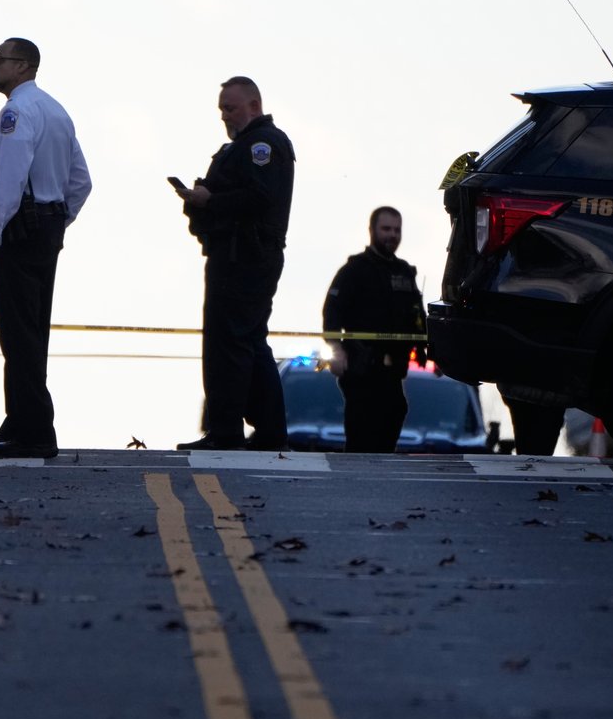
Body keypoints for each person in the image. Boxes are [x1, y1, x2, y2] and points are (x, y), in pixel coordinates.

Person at [0, 37, 91, 459]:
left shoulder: (17, 112)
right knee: (32, 330)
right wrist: (59, 218)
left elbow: (11, 177)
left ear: (22, 66)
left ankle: (34, 429)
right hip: (45, 227)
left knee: (17, 332)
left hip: (20, 229)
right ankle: (20, 420)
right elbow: (80, 181)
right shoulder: (57, 111)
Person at [174, 76, 294, 451]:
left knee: (230, 344)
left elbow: (258, 197)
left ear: (254, 106)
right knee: (248, 341)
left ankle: (226, 430)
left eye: (232, 107)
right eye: (222, 109)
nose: (225, 115)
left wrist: (210, 201)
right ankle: (269, 430)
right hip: (237, 254)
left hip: (245, 257)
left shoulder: (262, 144)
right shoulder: (242, 146)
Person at [323, 206, 426, 452]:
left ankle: (379, 484)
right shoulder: (354, 270)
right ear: (372, 231)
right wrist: (337, 351)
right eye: (386, 229)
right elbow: (332, 313)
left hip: (393, 370)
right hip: (362, 368)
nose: (392, 235)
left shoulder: (404, 272)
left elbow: (417, 317)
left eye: (396, 230)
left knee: (395, 413)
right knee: (361, 437)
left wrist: (430, 350)